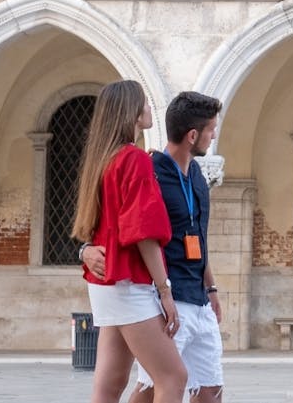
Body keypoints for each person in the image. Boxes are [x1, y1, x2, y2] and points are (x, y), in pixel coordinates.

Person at [83, 91, 225, 403]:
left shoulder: (197, 176)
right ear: (192, 135)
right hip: (152, 291)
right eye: (211, 129)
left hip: (185, 294)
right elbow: (136, 230)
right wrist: (164, 291)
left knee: (114, 383)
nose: (214, 135)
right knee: (165, 380)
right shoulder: (141, 163)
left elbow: (199, 238)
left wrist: (211, 288)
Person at [73, 80, 187, 403]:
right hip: (128, 281)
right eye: (145, 103)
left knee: (110, 384)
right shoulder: (134, 160)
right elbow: (144, 233)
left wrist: (82, 251)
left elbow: (91, 227)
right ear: (133, 113)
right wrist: (164, 291)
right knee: (173, 377)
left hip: (105, 283)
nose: (150, 108)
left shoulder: (101, 160)